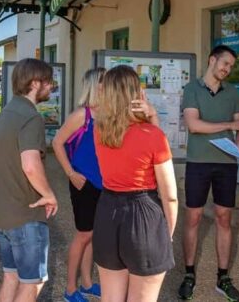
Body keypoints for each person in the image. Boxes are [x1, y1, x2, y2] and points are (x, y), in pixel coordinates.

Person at [92, 65, 177, 302]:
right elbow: (170, 195)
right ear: (138, 95)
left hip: (108, 212)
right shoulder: (152, 134)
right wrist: (166, 233)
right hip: (144, 216)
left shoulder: (99, 131)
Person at [0, 58, 58, 302]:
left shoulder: (5, 113)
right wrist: (48, 194)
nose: (52, 87)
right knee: (33, 282)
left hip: (2, 213)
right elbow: (30, 165)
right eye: (48, 82)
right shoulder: (31, 118)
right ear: (35, 83)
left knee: (11, 277)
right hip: (25, 216)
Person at [178, 45, 239, 302]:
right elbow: (194, 125)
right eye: (224, 64)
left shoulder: (233, 93)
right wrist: (230, 125)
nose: (227, 70)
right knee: (193, 217)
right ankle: (188, 274)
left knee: (224, 218)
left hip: (226, 163)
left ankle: (223, 277)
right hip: (198, 162)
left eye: (230, 67)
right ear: (212, 60)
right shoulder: (192, 89)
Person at [51, 68, 106, 302]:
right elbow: (57, 142)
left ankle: (86, 283)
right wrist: (70, 173)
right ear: (96, 86)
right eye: (106, 82)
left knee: (92, 236)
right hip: (83, 183)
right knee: (83, 236)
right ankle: (70, 289)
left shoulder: (107, 114)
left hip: (103, 184)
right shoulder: (81, 115)